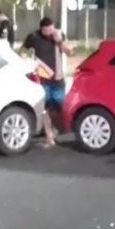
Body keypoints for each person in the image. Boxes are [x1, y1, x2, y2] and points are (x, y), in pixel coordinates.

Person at [22, 16, 73, 147]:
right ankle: (49, 137)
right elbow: (23, 51)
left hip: (57, 79)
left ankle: (58, 129)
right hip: (42, 79)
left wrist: (60, 41)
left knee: (58, 106)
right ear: (42, 29)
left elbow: (70, 52)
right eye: (47, 31)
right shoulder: (33, 37)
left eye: (52, 29)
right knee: (44, 108)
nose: (50, 32)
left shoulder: (58, 35)